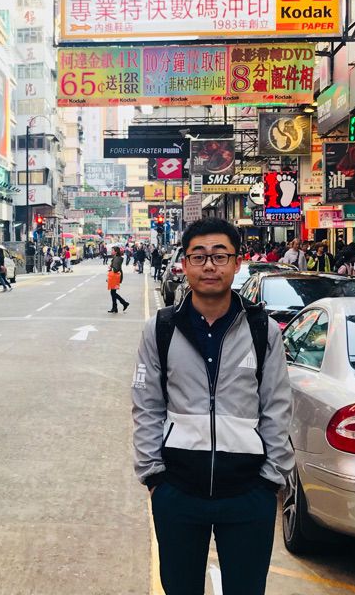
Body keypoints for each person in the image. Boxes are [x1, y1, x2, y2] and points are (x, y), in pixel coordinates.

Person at [132, 217, 293, 595]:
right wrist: (154, 478)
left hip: (249, 493)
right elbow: (147, 405)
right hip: (177, 490)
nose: (209, 266)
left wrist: (270, 480)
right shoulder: (161, 328)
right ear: (184, 264)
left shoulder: (261, 329)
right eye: (199, 256)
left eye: (220, 256)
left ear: (237, 263)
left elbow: (276, 406)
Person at [108, 246, 129, 313]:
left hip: (115, 277)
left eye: (112, 250)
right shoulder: (116, 257)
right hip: (115, 277)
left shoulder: (117, 258)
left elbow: (116, 269)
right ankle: (116, 307)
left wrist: (111, 268)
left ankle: (124, 303)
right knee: (113, 292)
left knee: (113, 292)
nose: (111, 251)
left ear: (116, 252)